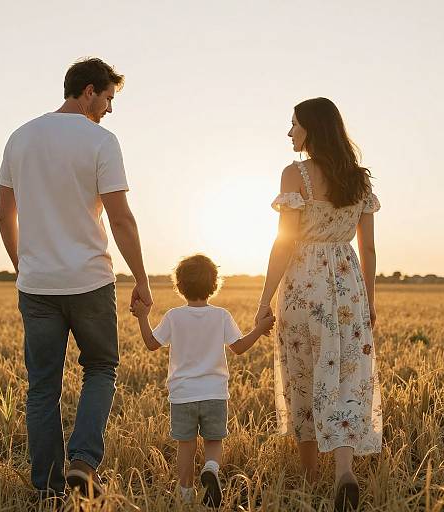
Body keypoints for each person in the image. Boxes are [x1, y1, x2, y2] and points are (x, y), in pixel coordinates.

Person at [0, 57, 152, 498]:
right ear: (88, 91)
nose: (108, 108)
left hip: (37, 285)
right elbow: (121, 219)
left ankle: (47, 488)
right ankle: (83, 463)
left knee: (42, 387)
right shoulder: (101, 141)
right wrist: (141, 278)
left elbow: (4, 215)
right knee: (101, 368)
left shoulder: (19, 137)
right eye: (107, 98)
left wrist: (22, 264)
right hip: (90, 281)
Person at [255, 98, 382, 511]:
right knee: (346, 374)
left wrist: (264, 298)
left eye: (293, 125)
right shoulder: (359, 180)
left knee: (303, 373)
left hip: (304, 286)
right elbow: (370, 250)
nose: (289, 133)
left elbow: (283, 244)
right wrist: (369, 302)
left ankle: (310, 478)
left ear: (311, 128)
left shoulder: (295, 175)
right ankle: (344, 470)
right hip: (347, 285)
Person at [130, 254, 274, 507]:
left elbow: (152, 344)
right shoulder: (221, 315)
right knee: (214, 441)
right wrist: (260, 330)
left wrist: (143, 316)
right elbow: (238, 348)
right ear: (214, 284)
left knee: (185, 446)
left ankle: (185, 495)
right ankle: (210, 468)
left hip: (183, 394)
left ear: (180, 285)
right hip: (215, 394)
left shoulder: (174, 316)